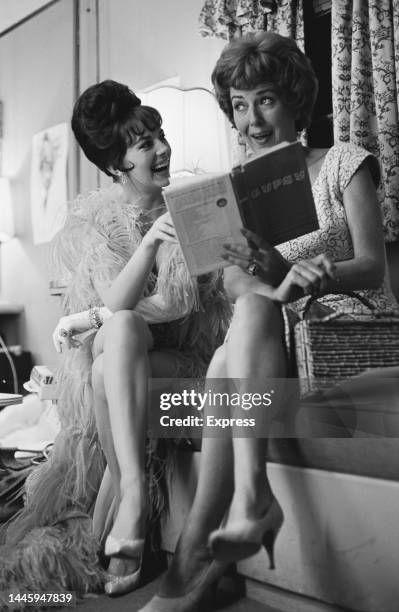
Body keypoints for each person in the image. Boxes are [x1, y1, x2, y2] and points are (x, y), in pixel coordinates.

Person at [139, 31, 399, 611]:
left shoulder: (343, 163)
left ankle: (194, 559)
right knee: (249, 309)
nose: (251, 119)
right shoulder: (236, 189)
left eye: (265, 100)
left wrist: (317, 273)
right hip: (276, 329)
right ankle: (249, 504)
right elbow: (238, 284)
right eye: (238, 104)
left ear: (294, 101)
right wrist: (276, 278)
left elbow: (373, 266)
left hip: (343, 327)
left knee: (225, 365)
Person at [0, 80, 230, 599]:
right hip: (127, 354)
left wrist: (88, 320)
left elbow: (178, 306)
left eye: (160, 135)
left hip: (176, 358)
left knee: (113, 350)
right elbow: (120, 304)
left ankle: (128, 502)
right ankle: (134, 495)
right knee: (121, 329)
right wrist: (149, 242)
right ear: (115, 167)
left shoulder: (192, 202)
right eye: (145, 144)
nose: (163, 149)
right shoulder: (96, 217)